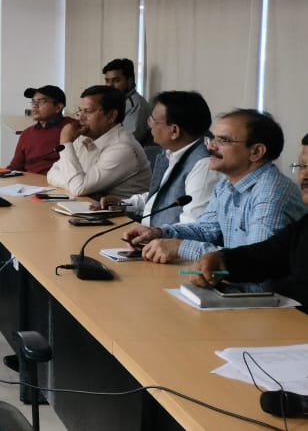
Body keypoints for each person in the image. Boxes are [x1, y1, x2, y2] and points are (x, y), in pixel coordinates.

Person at [124, 109, 305, 264]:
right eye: (213, 139)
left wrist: (180, 247)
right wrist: (159, 233)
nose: (211, 146)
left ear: (256, 152)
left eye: (223, 140)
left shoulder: (271, 193)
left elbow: (255, 261)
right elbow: (206, 229)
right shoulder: (226, 184)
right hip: (232, 286)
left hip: (264, 293)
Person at [193, 133, 308, 311]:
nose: (304, 176)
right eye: (303, 166)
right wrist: (222, 259)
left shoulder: (272, 190)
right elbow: (268, 255)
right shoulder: (304, 226)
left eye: (224, 140)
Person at [96, 91, 220, 226]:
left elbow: (192, 225)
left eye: (153, 121)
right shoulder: (172, 153)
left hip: (164, 239)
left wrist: (154, 233)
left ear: (174, 131)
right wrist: (125, 204)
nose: (150, 126)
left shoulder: (203, 165)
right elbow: (160, 198)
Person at [46, 85, 151, 198]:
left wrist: (66, 143)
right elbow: (52, 173)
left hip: (121, 209)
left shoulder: (123, 147)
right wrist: (75, 185)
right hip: (88, 204)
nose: (80, 118)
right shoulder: (83, 137)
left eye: (87, 111)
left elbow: (79, 188)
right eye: (80, 111)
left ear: (111, 116)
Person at [6, 85, 75, 174]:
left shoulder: (72, 128)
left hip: (58, 180)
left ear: (58, 107)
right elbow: (15, 166)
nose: (35, 106)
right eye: (33, 102)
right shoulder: (27, 133)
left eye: (41, 102)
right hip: (28, 181)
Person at [102, 58, 150, 146]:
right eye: (107, 81)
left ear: (129, 81)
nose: (110, 86)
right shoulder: (114, 102)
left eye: (116, 80)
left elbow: (127, 141)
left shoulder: (136, 105)